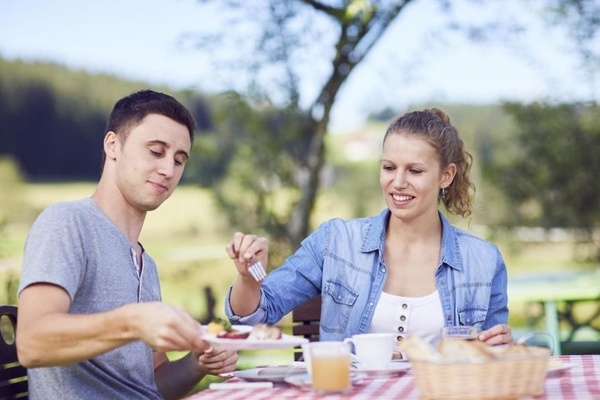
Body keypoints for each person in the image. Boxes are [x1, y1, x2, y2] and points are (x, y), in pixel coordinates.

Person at [224, 107, 514, 351]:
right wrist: (248, 278)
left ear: (446, 176)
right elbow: (252, 317)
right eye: (389, 168)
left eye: (414, 171)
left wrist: (502, 347)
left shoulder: (484, 261)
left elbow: (493, 359)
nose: (398, 182)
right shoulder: (335, 242)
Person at [17, 90, 238, 400]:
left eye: (179, 160)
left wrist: (195, 364)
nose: (168, 170)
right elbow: (31, 343)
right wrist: (133, 321)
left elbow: (151, 385)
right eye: (156, 151)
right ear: (113, 145)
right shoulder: (67, 223)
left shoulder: (146, 264)